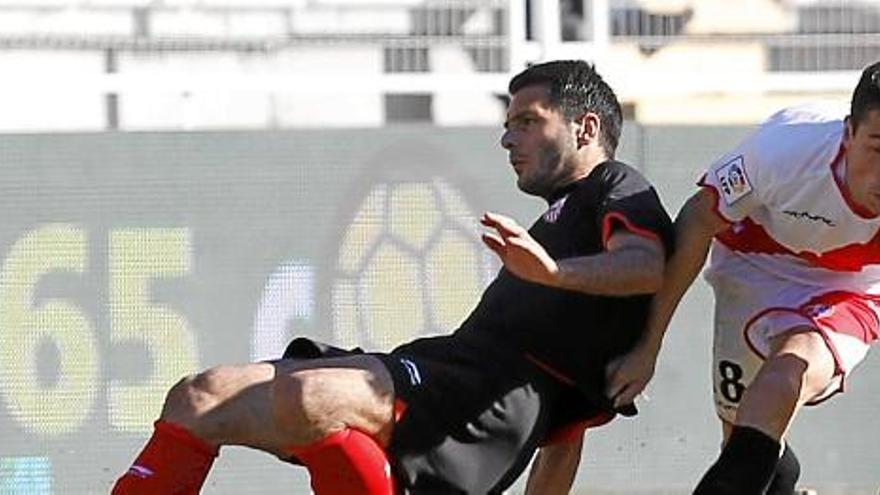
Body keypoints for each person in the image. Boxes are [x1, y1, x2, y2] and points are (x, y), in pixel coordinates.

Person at [111, 59, 674, 495]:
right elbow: (564, 437)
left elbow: (645, 267)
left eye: (528, 122)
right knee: (198, 395)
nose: (508, 138)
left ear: (586, 128)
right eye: (507, 124)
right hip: (448, 368)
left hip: (485, 400)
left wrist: (551, 272)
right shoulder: (558, 218)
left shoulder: (616, 186)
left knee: (311, 399)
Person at [606, 61, 880, 494]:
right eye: (878, 148)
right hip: (754, 265)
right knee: (743, 437)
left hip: (853, 284)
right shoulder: (785, 150)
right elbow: (698, 220)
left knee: (787, 372)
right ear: (848, 134)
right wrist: (648, 343)